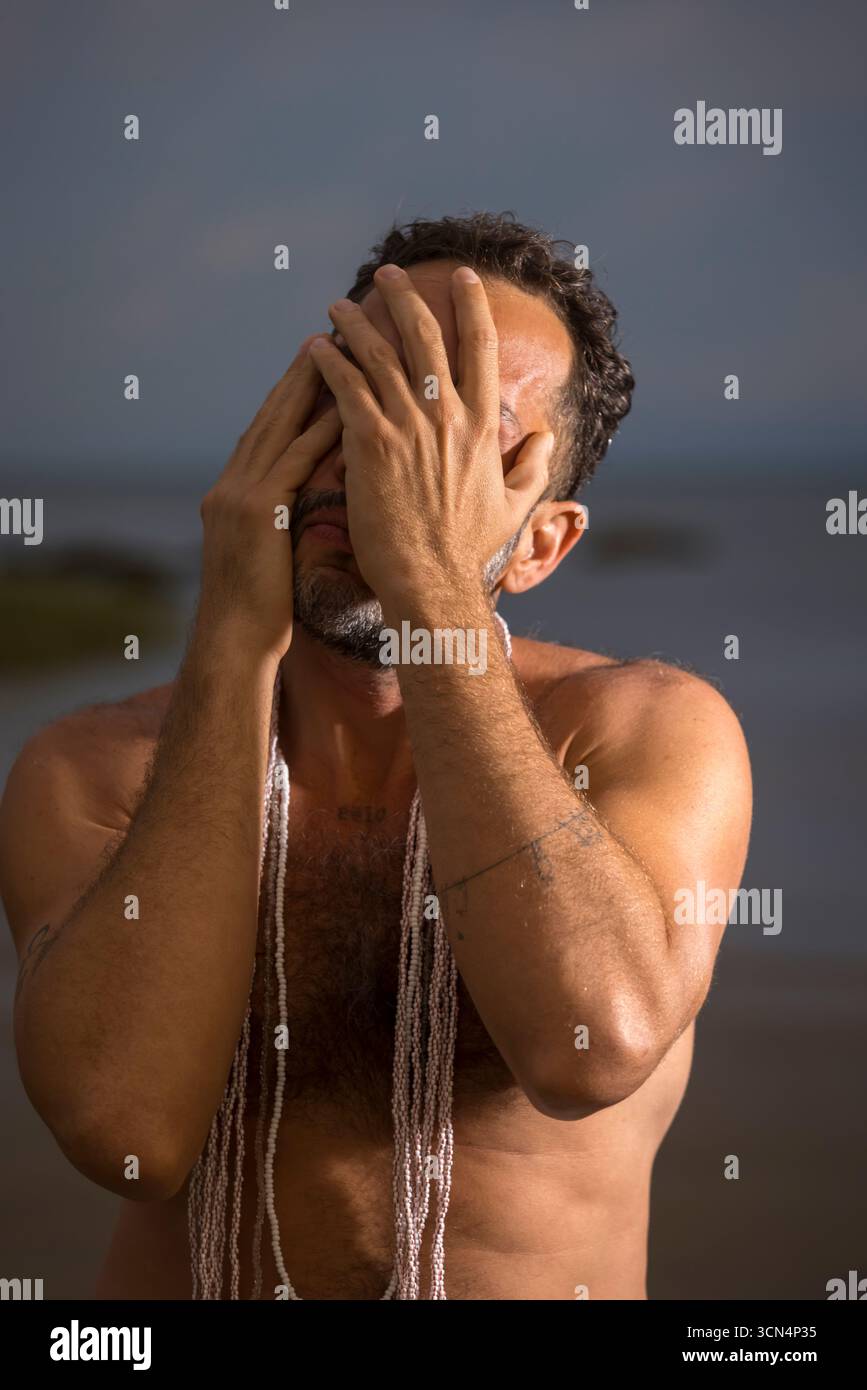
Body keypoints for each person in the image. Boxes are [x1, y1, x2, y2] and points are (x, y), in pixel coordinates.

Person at [0, 212, 752, 1300]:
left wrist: (434, 591)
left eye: (448, 432)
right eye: (359, 397)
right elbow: (126, 1128)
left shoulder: (643, 731)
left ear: (541, 541)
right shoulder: (96, 770)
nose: (377, 461)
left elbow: (589, 1044)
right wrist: (227, 640)